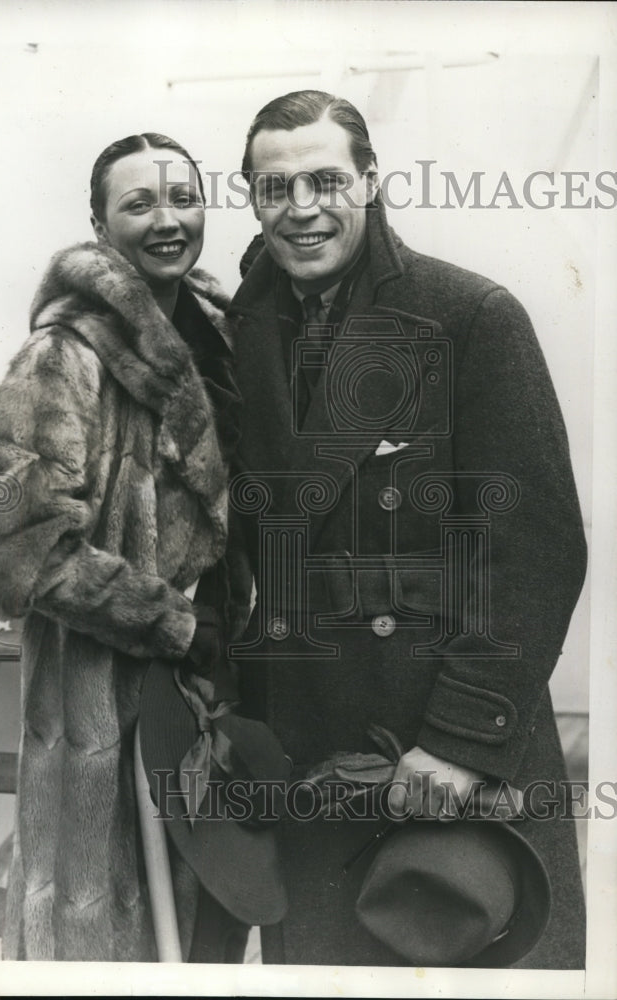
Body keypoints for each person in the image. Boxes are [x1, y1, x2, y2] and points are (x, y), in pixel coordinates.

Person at [227, 90, 587, 968]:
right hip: (311, 746)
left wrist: (461, 741)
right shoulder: (246, 327)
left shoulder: (467, 316)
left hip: (437, 742)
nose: (301, 208)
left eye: (324, 180)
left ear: (371, 182)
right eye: (275, 189)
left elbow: (534, 548)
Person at [0, 133, 250, 961]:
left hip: (210, 684)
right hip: (103, 691)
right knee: (106, 933)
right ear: (98, 224)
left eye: (182, 199)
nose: (167, 220)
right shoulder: (60, 356)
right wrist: (170, 623)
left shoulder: (218, 334)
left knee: (208, 923)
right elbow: (13, 547)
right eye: (139, 204)